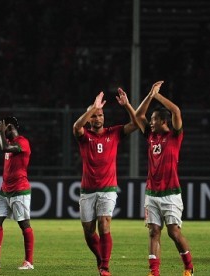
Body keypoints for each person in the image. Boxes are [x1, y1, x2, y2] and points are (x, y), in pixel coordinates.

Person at [73, 89, 138, 276]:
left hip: (108, 189)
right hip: (87, 190)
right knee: (88, 231)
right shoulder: (84, 136)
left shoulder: (114, 133)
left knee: (104, 223)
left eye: (99, 115)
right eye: (93, 116)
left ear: (104, 117)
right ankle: (101, 259)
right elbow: (76, 126)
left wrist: (127, 106)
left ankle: (105, 267)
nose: (97, 119)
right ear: (89, 119)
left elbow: (136, 123)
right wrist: (92, 108)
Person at [134, 81, 194, 276]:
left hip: (171, 193)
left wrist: (157, 95)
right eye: (151, 120)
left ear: (163, 121)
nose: (150, 122)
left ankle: (188, 267)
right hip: (151, 192)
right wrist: (150, 96)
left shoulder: (175, 136)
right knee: (153, 232)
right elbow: (138, 116)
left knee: (174, 233)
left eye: (154, 119)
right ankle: (154, 272)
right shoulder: (151, 136)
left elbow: (176, 111)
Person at [0, 116, 34, 270]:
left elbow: (4, 148)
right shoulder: (7, 141)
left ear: (11, 127)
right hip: (5, 190)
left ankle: (29, 262)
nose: (2, 130)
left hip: (19, 189)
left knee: (23, 223)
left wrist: (2, 131)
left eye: (5, 127)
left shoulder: (22, 142)